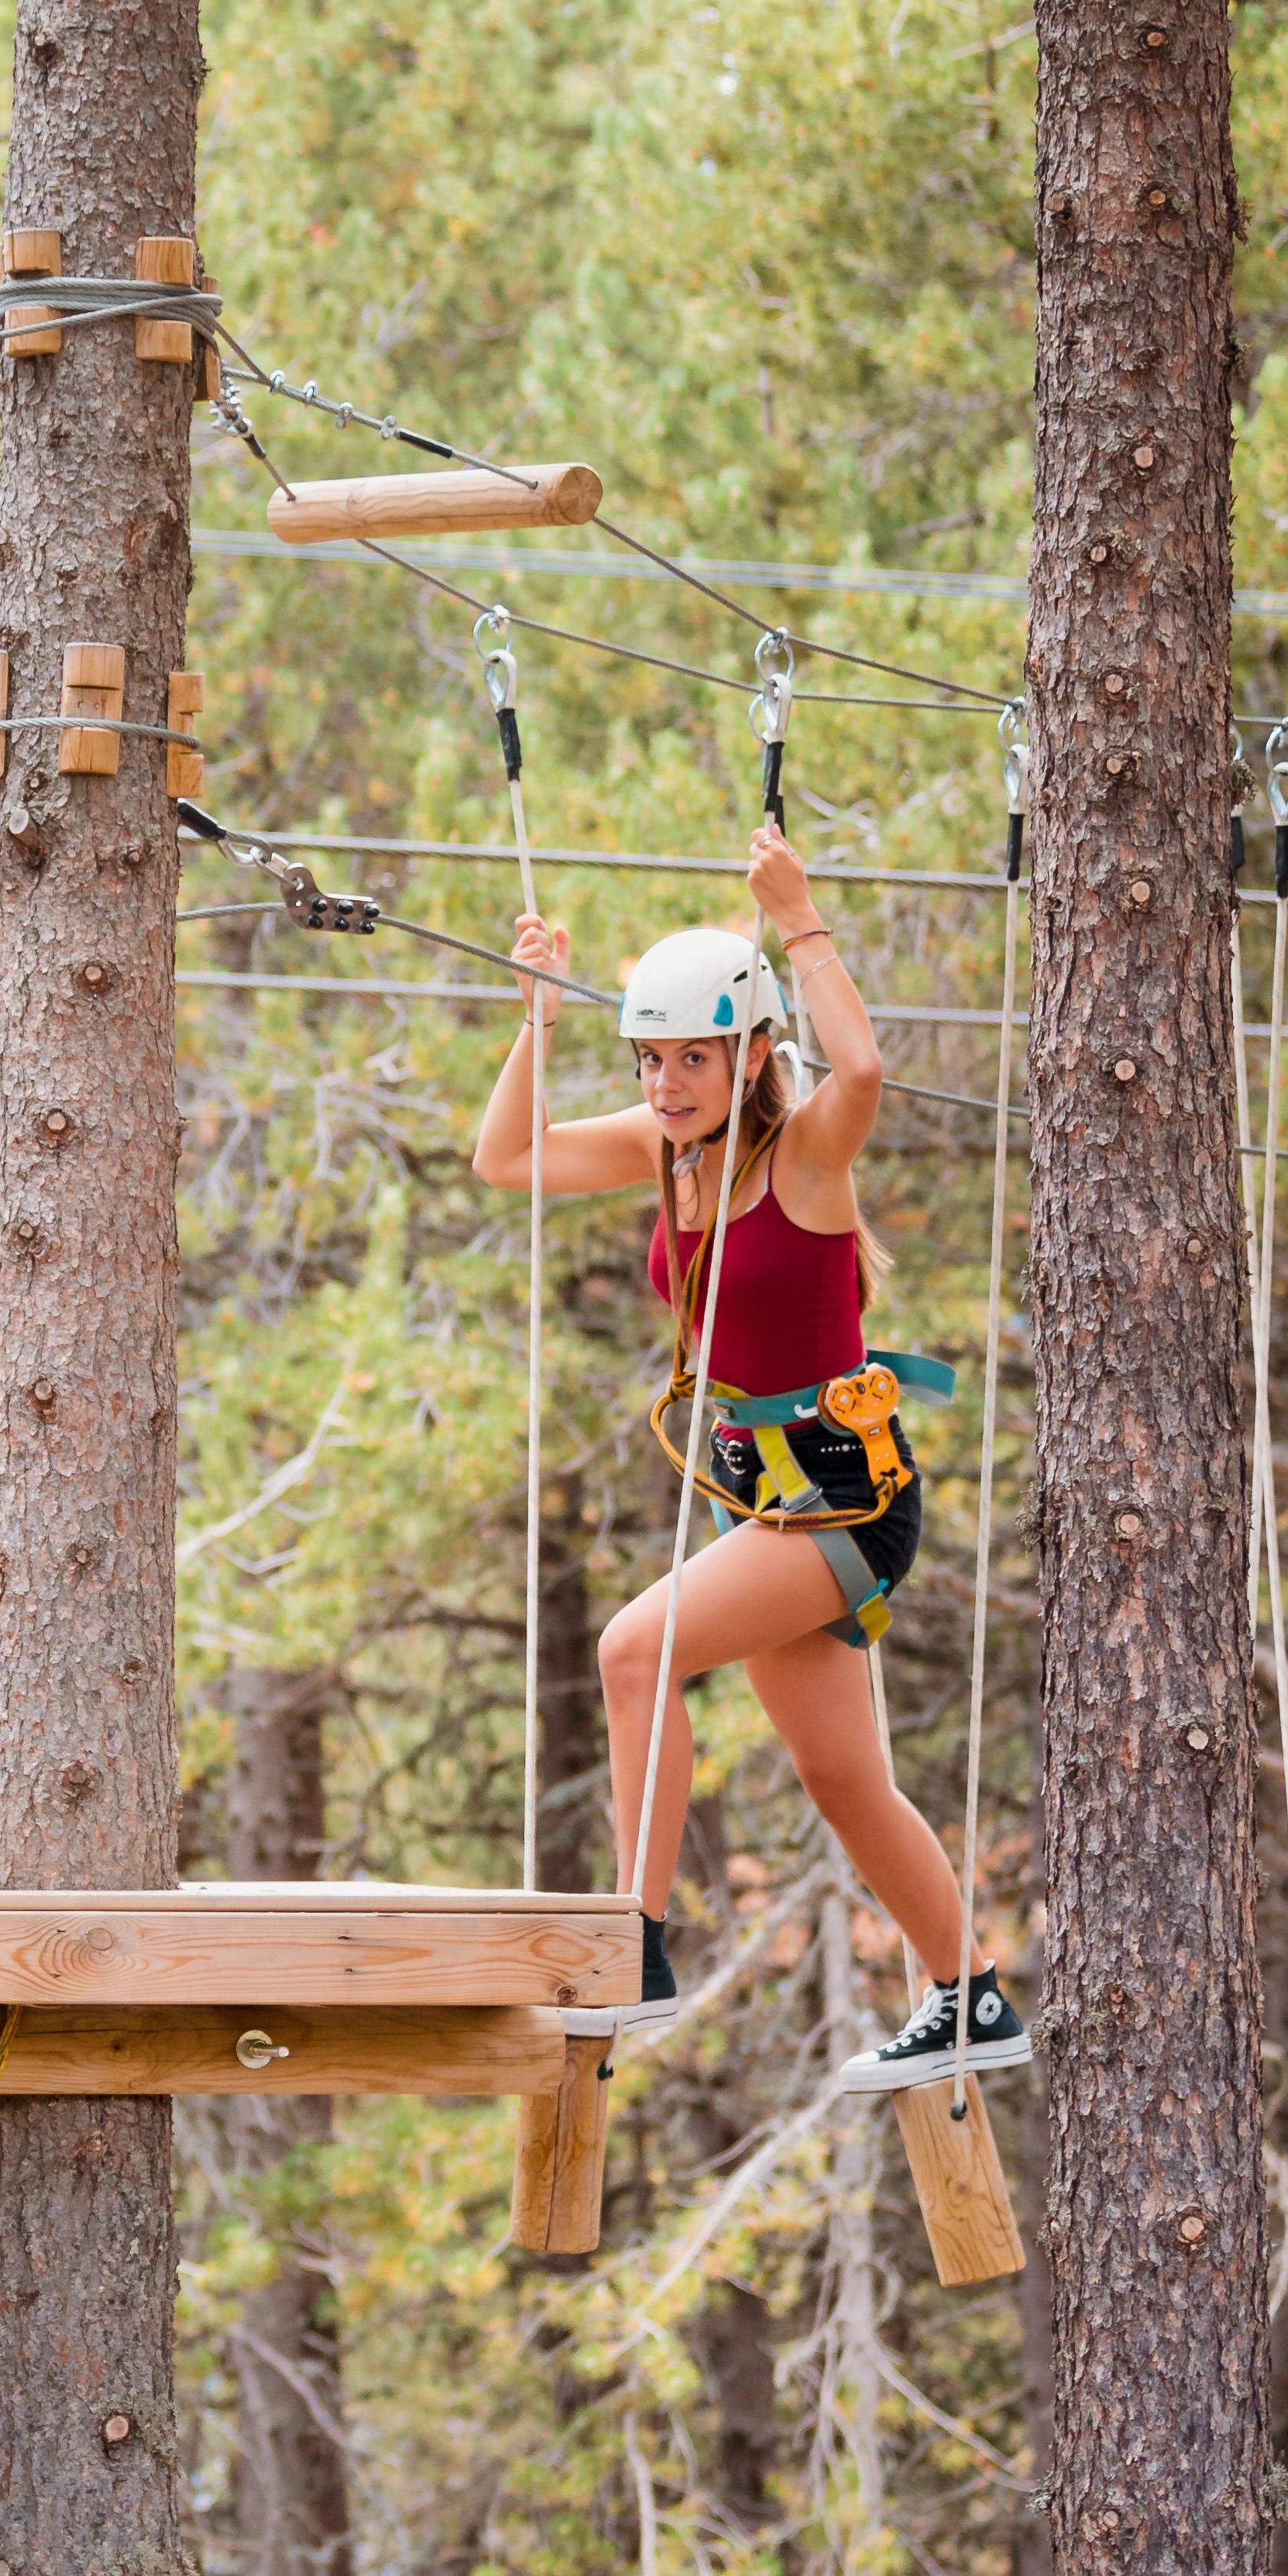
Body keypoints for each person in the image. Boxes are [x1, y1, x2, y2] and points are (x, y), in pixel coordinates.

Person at [471, 825, 1029, 2093]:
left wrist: (802, 920)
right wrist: (538, 1029)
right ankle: (968, 1998)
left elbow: (870, 1067)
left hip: (840, 1492)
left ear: (754, 1054)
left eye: (694, 1059)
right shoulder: (662, 1155)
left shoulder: (806, 1159)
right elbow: (506, 1159)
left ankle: (638, 1946)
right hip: (762, 1500)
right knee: (844, 1783)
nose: (666, 1082)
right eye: (651, 1059)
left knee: (633, 1650)